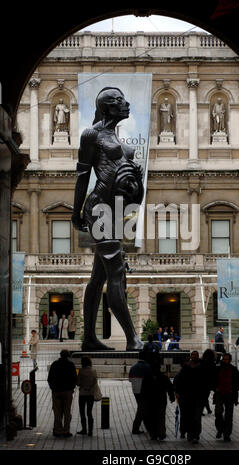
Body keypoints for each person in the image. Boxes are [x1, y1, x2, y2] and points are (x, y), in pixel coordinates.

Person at [71, 87, 144, 352]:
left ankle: (89, 337)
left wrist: (137, 182)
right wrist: (76, 211)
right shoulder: (92, 135)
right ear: (106, 107)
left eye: (124, 99)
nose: (126, 104)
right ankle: (132, 337)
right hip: (99, 208)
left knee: (98, 277)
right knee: (116, 272)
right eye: (118, 101)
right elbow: (82, 176)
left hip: (116, 211)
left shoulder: (121, 142)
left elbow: (134, 191)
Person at [174, 350, 212, 443]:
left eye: (196, 355)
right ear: (191, 356)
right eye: (193, 355)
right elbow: (179, 380)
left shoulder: (202, 367)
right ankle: (191, 434)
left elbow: (206, 382)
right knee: (190, 416)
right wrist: (178, 392)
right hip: (187, 396)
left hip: (198, 396)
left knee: (197, 416)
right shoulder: (186, 368)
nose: (194, 357)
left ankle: (195, 434)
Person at [214, 352, 239, 442]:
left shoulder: (233, 370)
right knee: (218, 413)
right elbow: (213, 380)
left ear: (230, 360)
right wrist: (215, 388)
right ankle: (220, 429)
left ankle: (227, 434)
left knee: (228, 415)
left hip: (230, 395)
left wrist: (233, 390)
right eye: (224, 359)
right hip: (219, 394)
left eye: (227, 359)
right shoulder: (218, 369)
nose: (225, 361)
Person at [47, 349, 77, 438]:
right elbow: (74, 378)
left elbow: (50, 378)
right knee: (67, 412)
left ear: (60, 355)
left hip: (56, 391)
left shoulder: (55, 364)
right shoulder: (71, 365)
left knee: (57, 412)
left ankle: (57, 430)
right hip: (67, 391)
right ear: (68, 356)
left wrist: (53, 388)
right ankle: (66, 430)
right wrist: (71, 388)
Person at [129, 350, 156, 436]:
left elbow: (130, 379)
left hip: (135, 391)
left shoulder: (133, 367)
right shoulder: (147, 367)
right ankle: (135, 428)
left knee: (142, 407)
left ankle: (147, 426)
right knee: (142, 409)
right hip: (145, 391)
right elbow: (151, 379)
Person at [151, 364, 175, 440]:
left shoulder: (149, 378)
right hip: (161, 399)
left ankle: (154, 433)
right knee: (161, 416)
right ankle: (161, 433)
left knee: (153, 416)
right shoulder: (163, 377)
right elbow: (170, 387)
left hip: (152, 400)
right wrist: (172, 397)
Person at [76, 356, 98, 436]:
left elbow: (78, 383)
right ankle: (90, 431)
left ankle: (84, 429)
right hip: (91, 394)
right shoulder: (94, 371)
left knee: (82, 412)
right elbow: (95, 382)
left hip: (82, 394)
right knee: (89, 412)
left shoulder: (81, 371)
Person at [201, 349, 217, 416]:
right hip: (208, 383)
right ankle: (207, 410)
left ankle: (207, 410)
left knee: (204, 397)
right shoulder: (212, 363)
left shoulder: (201, 362)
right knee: (205, 397)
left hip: (202, 382)